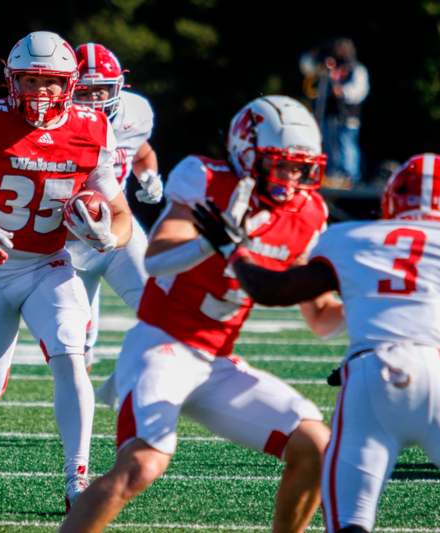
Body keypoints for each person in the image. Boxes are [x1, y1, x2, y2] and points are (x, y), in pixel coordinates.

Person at [193, 153, 440, 532]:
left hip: (366, 379)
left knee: (352, 523)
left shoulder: (351, 237)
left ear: (392, 200)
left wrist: (233, 250)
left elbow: (274, 290)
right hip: (436, 377)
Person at [60, 95, 342, 533]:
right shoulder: (207, 178)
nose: (291, 177)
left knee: (317, 446)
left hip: (216, 362)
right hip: (161, 344)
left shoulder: (308, 213)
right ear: (248, 154)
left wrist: (374, 306)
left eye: (299, 166)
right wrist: (209, 243)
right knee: (142, 466)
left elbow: (321, 317)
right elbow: (154, 259)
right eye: (280, 164)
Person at [0, 31, 132, 511]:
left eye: (51, 83)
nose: (41, 93)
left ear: (70, 84)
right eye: (30, 80)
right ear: (11, 81)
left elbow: (121, 214)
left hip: (50, 264)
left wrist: (106, 238)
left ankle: (78, 478)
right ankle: (0, 358)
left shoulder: (93, 126)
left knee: (71, 353)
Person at [69, 42, 160, 377]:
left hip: (119, 228)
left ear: (118, 88)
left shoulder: (134, 114)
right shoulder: (56, 124)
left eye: (102, 90)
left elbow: (141, 151)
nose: (94, 99)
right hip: (68, 239)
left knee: (158, 304)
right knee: (77, 340)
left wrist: (149, 176)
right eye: (86, 91)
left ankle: (157, 379)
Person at [300, 38, 369, 187]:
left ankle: (351, 178)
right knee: (329, 145)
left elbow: (359, 91)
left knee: (347, 145)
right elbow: (306, 67)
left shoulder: (356, 69)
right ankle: (331, 175)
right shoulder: (328, 68)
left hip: (348, 116)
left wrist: (342, 92)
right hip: (328, 116)